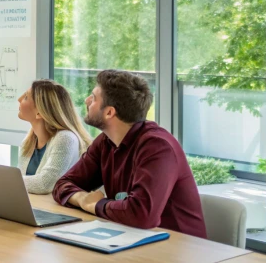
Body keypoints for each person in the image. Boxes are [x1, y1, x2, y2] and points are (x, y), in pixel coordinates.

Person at [52, 69, 207, 238]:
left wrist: (96, 205)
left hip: (179, 249)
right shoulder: (105, 141)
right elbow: (63, 184)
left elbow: (141, 215)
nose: (87, 100)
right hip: (130, 238)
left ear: (109, 112)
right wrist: (82, 199)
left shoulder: (158, 147)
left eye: (94, 97)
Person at [17, 79, 93, 194]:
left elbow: (45, 184)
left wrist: (4, 180)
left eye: (26, 97)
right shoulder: (29, 141)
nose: (19, 99)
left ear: (39, 113)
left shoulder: (65, 138)